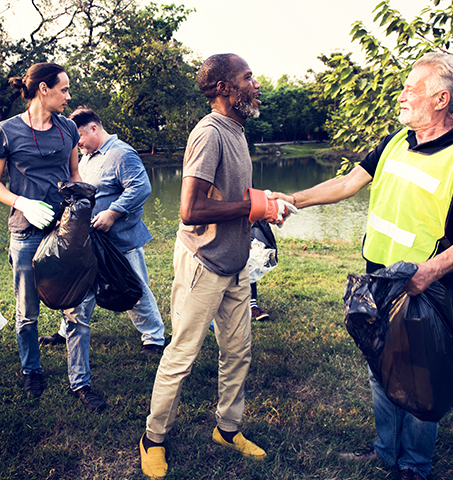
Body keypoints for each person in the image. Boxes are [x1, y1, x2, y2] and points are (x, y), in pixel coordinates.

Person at [269, 52, 453, 480]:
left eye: (412, 88)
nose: (402, 95)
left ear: (441, 99)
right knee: (381, 368)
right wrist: (292, 199)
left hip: (427, 285)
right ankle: (386, 453)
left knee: (419, 375)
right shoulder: (395, 141)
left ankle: (413, 466)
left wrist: (428, 272)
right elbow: (347, 183)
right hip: (378, 278)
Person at [139, 53, 294, 478]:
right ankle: (153, 437)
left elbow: (234, 195)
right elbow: (190, 209)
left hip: (236, 263)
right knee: (182, 355)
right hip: (203, 264)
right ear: (225, 87)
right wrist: (252, 206)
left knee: (238, 351)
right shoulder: (209, 133)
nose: (256, 83)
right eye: (248, 77)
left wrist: (263, 202)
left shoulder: (237, 130)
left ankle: (227, 429)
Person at [0, 63, 106, 412]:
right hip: (25, 232)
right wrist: (21, 201)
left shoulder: (68, 128)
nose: (69, 96)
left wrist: (83, 203)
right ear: (43, 89)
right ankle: (32, 370)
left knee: (77, 308)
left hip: (64, 231)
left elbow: (73, 172)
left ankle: (80, 382)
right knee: (27, 311)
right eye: (64, 89)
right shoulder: (6, 131)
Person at [37, 106, 166, 355]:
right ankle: (66, 331)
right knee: (80, 286)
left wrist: (113, 212)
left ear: (94, 128)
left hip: (121, 240)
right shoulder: (87, 157)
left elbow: (140, 188)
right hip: (90, 241)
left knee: (133, 286)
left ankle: (154, 338)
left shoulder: (121, 153)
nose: (78, 145)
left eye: (80, 138)